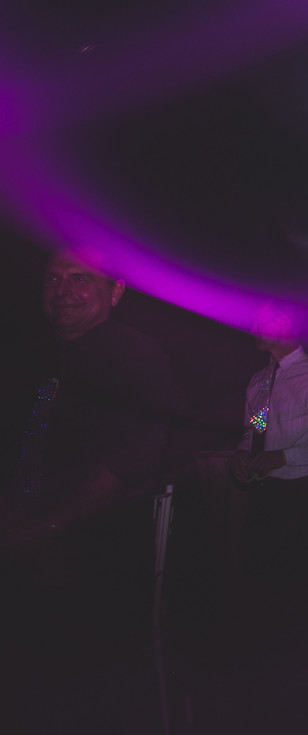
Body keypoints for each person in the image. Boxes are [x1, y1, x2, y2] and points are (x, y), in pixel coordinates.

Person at [1, 245, 176, 649]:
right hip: (254, 463)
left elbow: (138, 452)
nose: (60, 289)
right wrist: (250, 440)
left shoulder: (307, 379)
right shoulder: (28, 354)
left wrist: (276, 452)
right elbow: (258, 418)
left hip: (289, 473)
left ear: (115, 292)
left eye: (78, 278)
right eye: (52, 279)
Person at [230, 300, 308, 582]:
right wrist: (242, 454)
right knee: (256, 575)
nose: (254, 328)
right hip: (262, 491)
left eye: (261, 322)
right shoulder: (260, 380)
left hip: (302, 493)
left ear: (282, 326)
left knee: (297, 581)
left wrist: (284, 457)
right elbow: (255, 428)